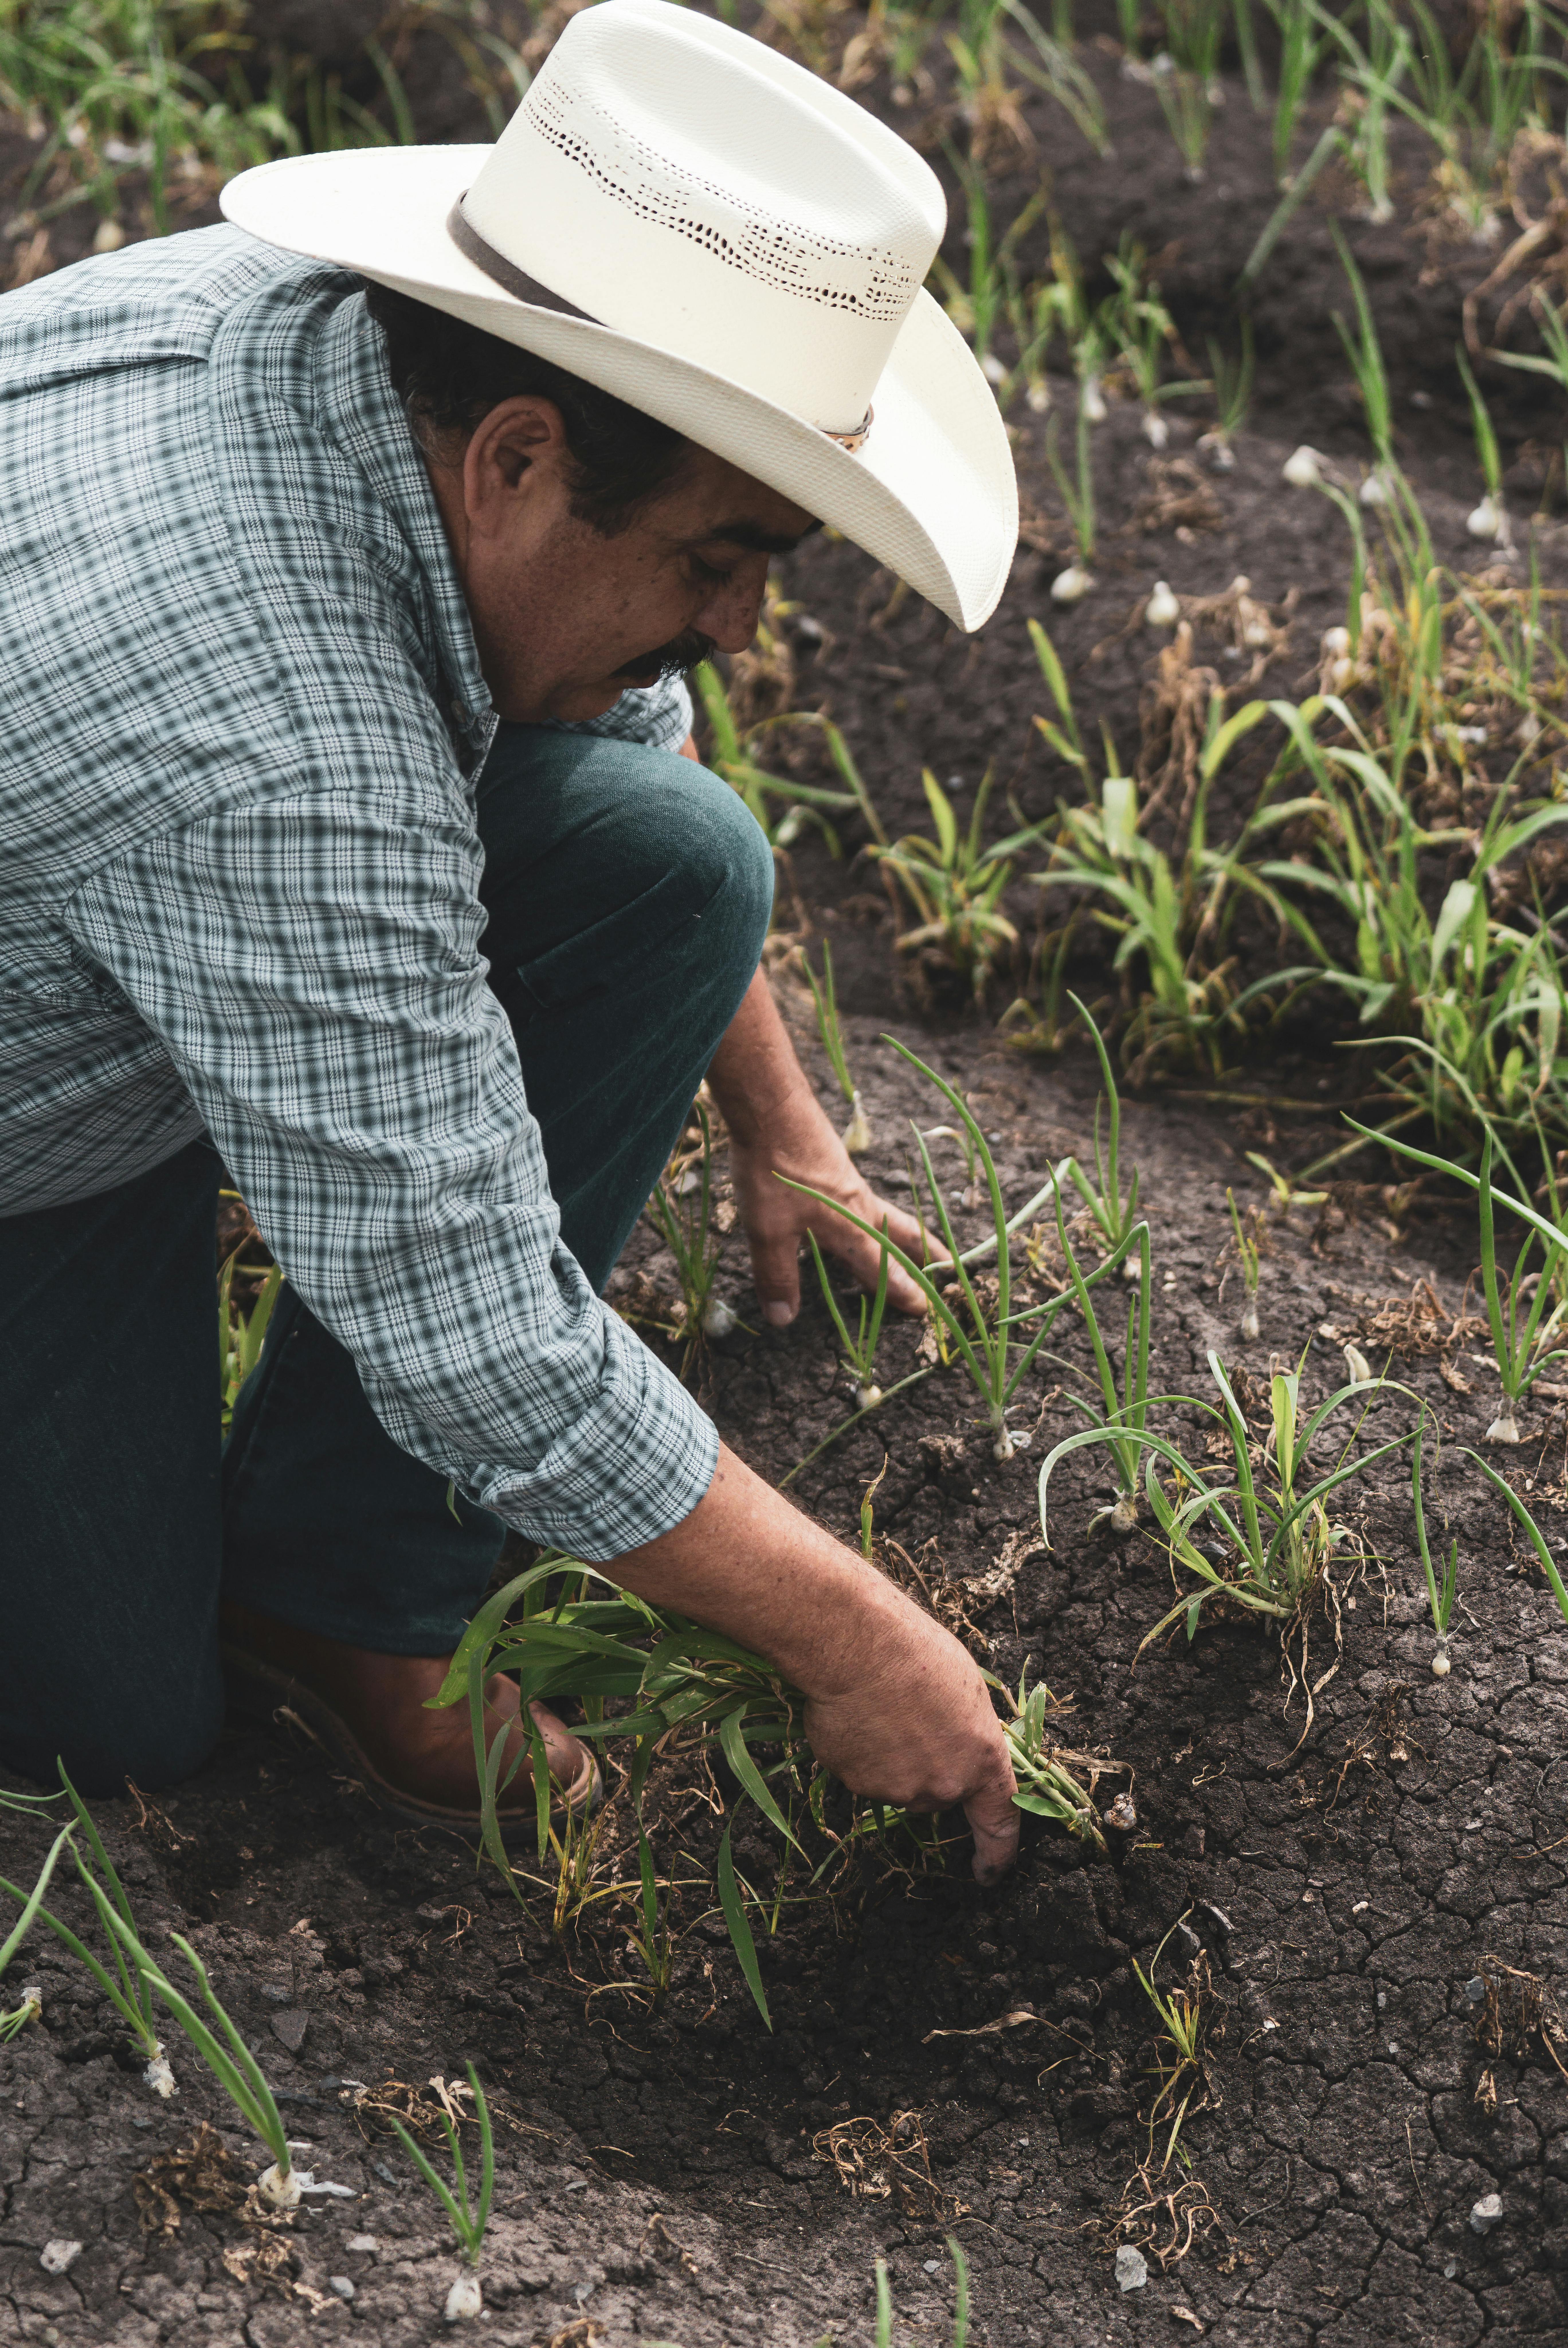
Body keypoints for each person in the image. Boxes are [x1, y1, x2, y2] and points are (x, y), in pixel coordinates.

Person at [0, 0, 1021, 1882]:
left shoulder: (368, 355)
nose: (737, 619)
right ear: (520, 461)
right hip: (30, 1120)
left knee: (673, 858)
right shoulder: (277, 747)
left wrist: (782, 1125)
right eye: (720, 557)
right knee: (115, 1722)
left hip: (100, 921)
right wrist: (860, 1643)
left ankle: (347, 1600)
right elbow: (479, 1340)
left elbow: (606, 713)